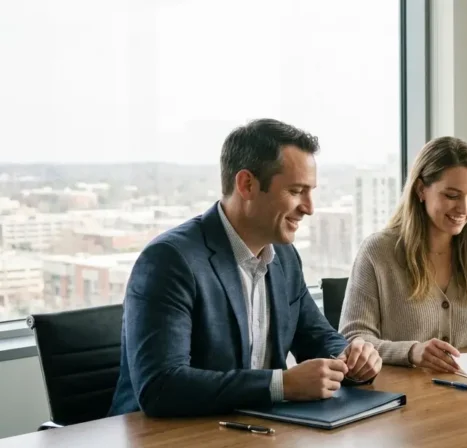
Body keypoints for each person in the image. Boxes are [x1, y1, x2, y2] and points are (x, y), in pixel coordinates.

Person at [109, 119, 382, 417]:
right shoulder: (170, 260)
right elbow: (161, 387)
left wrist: (352, 356)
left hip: (254, 430)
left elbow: (316, 337)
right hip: (165, 438)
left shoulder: (284, 257)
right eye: (296, 191)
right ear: (247, 185)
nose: (309, 207)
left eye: (310, 192)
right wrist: (281, 385)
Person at [340, 136, 467, 372]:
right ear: (421, 189)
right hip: (404, 391)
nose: (464, 208)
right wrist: (411, 352)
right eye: (452, 195)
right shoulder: (378, 252)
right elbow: (352, 338)